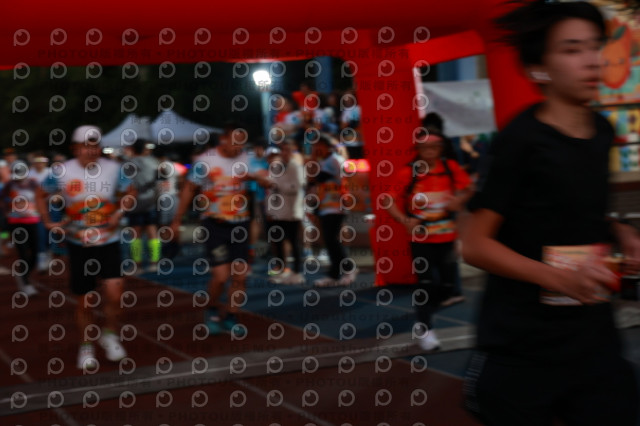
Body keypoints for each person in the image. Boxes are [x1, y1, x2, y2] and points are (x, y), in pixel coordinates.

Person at [461, 2, 640, 425]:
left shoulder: (602, 132)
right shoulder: (520, 140)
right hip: (523, 344)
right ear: (539, 68)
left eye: (595, 46)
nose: (591, 60)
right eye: (572, 49)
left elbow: (581, 209)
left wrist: (622, 234)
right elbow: (475, 244)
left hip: (592, 335)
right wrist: (557, 277)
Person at [36, 125, 134, 370]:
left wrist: (119, 212)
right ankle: (86, 346)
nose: (91, 150)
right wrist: (48, 222)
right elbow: (40, 194)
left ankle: (109, 335)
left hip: (109, 240)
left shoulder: (114, 168)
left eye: (95, 145)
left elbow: (130, 193)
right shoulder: (61, 171)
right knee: (86, 301)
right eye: (86, 146)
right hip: (80, 244)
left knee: (115, 294)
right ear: (75, 148)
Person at [171, 123, 265, 336]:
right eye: (235, 141)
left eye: (242, 142)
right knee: (221, 277)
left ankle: (231, 315)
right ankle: (212, 308)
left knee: (240, 276)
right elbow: (189, 189)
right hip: (214, 224)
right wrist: (177, 220)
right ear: (224, 139)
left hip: (240, 224)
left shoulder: (247, 159)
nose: (238, 146)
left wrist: (263, 179)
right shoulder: (205, 161)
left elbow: (266, 177)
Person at [386, 131, 473, 350]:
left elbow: (469, 189)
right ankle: (425, 328)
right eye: (424, 148)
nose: (429, 152)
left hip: (447, 236)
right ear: (418, 150)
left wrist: (459, 200)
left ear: (441, 149)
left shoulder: (450, 167)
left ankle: (423, 316)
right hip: (420, 238)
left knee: (448, 287)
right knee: (425, 283)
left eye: (434, 147)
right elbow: (388, 200)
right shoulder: (409, 172)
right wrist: (404, 220)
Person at [308, 134, 356, 287]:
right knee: (329, 240)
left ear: (327, 146)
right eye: (314, 146)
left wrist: (313, 159)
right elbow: (312, 181)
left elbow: (317, 178)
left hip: (336, 206)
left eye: (319, 145)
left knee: (332, 239)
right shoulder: (323, 161)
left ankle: (348, 269)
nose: (316, 148)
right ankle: (334, 274)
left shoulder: (334, 159)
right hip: (325, 206)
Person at [265, 140, 306, 285]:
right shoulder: (276, 166)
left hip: (292, 211)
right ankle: (282, 271)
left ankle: (297, 272)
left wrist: (277, 184)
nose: (285, 153)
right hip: (277, 211)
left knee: (294, 242)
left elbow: (297, 186)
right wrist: (269, 210)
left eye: (288, 150)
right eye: (283, 150)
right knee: (278, 241)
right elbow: (270, 187)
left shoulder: (297, 167)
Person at [0, 160, 41, 296]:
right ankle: (25, 283)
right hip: (15, 222)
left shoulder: (33, 183)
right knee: (23, 252)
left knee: (35, 253)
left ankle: (24, 274)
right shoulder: (10, 185)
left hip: (33, 221)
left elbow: (40, 198)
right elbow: (2, 199)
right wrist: (6, 211)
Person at [123, 139, 161, 272]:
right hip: (151, 201)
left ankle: (137, 265)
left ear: (133, 149)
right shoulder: (154, 162)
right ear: (145, 149)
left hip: (134, 202)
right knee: (152, 231)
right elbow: (160, 179)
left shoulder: (129, 163)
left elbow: (125, 183)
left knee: (136, 233)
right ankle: (154, 262)